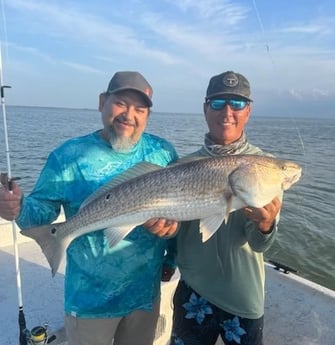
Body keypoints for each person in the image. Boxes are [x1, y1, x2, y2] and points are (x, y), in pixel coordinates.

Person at [0, 71, 178, 345]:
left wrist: (170, 257)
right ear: (102, 102)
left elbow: (179, 209)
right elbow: (42, 213)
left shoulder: (163, 152)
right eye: (121, 103)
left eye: (140, 109)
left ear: (147, 116)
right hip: (89, 302)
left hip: (144, 297)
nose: (129, 115)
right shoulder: (68, 156)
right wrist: (17, 206)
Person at [169, 71, 282, 345]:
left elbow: (258, 245)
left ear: (249, 111)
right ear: (205, 108)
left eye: (237, 103)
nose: (228, 112)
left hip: (243, 296)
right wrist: (165, 237)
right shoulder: (181, 165)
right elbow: (175, 232)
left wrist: (266, 226)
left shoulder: (266, 166)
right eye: (218, 103)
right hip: (193, 290)